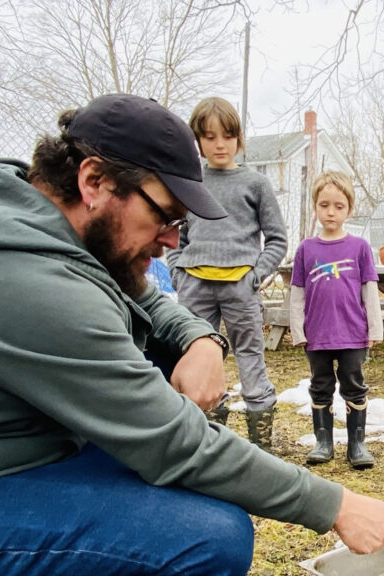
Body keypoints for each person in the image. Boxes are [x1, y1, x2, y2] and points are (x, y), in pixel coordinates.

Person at [0, 93, 384, 576]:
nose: (173, 241)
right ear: (95, 182)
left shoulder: (36, 227)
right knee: (210, 538)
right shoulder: (16, 277)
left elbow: (147, 299)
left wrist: (202, 339)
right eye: (165, 216)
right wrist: (333, 505)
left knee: (201, 503)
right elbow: (173, 442)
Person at [166, 96, 288, 451]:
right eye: (209, 137)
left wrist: (256, 275)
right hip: (194, 288)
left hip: (240, 288)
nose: (219, 144)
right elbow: (177, 235)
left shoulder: (256, 184)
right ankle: (207, 446)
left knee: (250, 359)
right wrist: (177, 272)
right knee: (198, 358)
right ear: (198, 142)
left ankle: (259, 450)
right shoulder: (188, 183)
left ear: (238, 138)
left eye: (227, 136)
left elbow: (277, 238)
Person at [289, 171, 383, 469]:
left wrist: (375, 327)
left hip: (352, 334)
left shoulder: (359, 248)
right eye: (325, 205)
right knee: (320, 386)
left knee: (354, 385)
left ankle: (357, 444)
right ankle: (323, 442)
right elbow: (297, 294)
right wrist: (297, 330)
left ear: (349, 210)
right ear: (316, 207)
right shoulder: (306, 249)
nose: (331, 212)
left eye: (339, 206)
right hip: (317, 335)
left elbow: (369, 290)